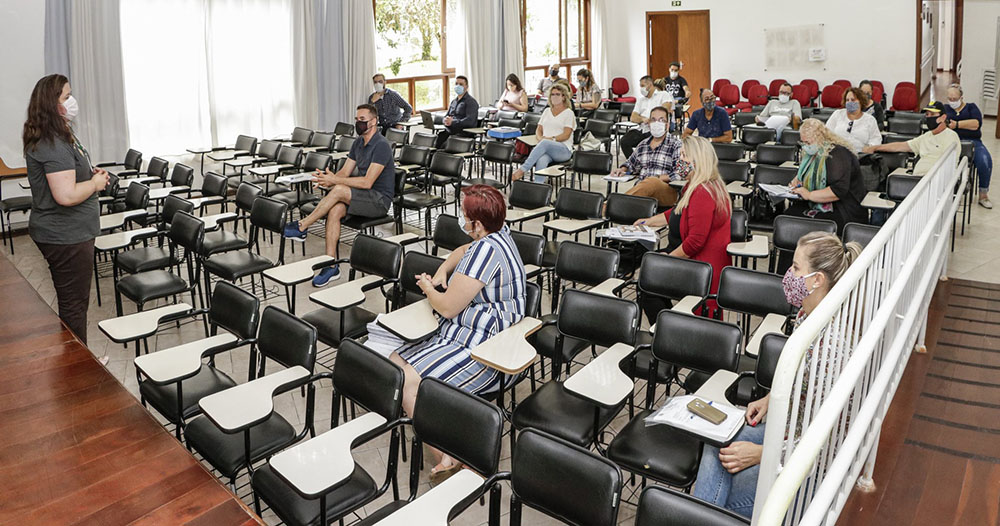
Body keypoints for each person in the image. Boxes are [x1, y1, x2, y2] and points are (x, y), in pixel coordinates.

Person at [691, 231, 862, 518]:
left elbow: (822, 441)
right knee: (716, 437)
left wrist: (760, 455)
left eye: (796, 267)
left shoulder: (830, 349)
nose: (788, 274)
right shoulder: (807, 315)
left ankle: (703, 516)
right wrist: (770, 399)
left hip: (809, 466)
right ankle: (704, 514)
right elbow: (800, 379)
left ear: (817, 280)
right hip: (786, 434)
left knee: (722, 497)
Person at [390, 184, 526, 481]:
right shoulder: (498, 235)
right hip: (466, 332)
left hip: (486, 347)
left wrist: (427, 287)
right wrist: (443, 270)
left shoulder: (488, 250)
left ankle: (448, 453)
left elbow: (448, 307)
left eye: (465, 217)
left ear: (477, 223)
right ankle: (445, 438)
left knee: (408, 381)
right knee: (394, 360)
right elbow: (463, 251)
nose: (462, 221)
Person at [22, 74, 109, 350]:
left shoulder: (58, 134)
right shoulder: (53, 142)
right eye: (66, 97)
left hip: (69, 232)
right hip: (66, 236)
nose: (72, 102)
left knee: (73, 300)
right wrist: (94, 184)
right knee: (74, 304)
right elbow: (66, 195)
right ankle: (77, 366)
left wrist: (89, 175)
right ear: (52, 104)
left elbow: (69, 175)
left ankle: (75, 358)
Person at [284, 104, 396, 286]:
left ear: (374, 122)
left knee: (339, 189)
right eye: (356, 120)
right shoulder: (358, 143)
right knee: (335, 209)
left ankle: (303, 226)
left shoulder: (381, 145)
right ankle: (331, 264)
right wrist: (330, 178)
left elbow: (367, 182)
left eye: (362, 120)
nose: (358, 123)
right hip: (362, 196)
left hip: (379, 200)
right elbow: (345, 172)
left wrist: (335, 182)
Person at [632, 136, 732, 318]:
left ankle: (667, 329)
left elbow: (695, 242)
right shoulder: (697, 186)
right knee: (650, 274)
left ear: (698, 159)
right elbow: (678, 213)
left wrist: (668, 259)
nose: (680, 161)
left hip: (701, 271)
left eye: (684, 156)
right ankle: (669, 324)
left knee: (648, 284)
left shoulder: (703, 192)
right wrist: (648, 221)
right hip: (696, 264)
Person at [786, 119, 868, 232]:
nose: (805, 146)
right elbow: (805, 174)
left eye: (808, 143)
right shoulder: (813, 154)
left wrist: (809, 195)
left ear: (820, 139)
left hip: (842, 208)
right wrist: (798, 181)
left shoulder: (838, 154)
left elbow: (838, 191)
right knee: (787, 216)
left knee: (799, 224)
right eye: (803, 142)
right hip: (817, 202)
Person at [609, 106, 686, 207]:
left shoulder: (676, 145)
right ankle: (616, 206)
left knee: (652, 182)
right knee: (647, 184)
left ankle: (612, 206)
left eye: (661, 120)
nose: (657, 123)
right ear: (649, 124)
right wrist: (622, 169)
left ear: (667, 125)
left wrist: (658, 178)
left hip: (667, 192)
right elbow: (631, 164)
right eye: (653, 120)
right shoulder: (643, 144)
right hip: (643, 190)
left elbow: (682, 172)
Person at [863, 101, 960, 177]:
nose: (929, 117)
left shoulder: (951, 137)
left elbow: (949, 166)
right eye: (927, 115)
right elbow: (901, 146)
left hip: (936, 180)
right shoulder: (926, 136)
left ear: (943, 118)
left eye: (932, 115)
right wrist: (875, 148)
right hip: (917, 179)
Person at [511, 83, 576, 183]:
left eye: (557, 94)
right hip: (546, 147)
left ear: (563, 97)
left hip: (563, 149)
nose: (554, 97)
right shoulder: (547, 111)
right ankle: (538, 186)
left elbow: (566, 135)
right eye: (552, 94)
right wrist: (540, 138)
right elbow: (539, 129)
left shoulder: (568, 113)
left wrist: (550, 140)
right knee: (542, 159)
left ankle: (522, 170)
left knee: (545, 143)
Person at [943, 83, 993, 208]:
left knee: (984, 160)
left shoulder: (971, 108)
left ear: (961, 97)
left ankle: (983, 194)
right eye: (950, 99)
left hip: (972, 141)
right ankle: (951, 192)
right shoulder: (945, 108)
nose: (952, 101)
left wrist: (957, 125)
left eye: (954, 99)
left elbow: (976, 124)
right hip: (952, 141)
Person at [620, 75, 674, 158]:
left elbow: (664, 111)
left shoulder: (663, 95)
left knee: (650, 146)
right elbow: (633, 117)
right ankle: (635, 163)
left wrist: (651, 119)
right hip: (642, 129)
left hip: (656, 130)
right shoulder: (641, 100)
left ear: (650, 85)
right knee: (624, 141)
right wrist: (643, 119)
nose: (641, 89)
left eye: (642, 86)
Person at [824, 88, 881, 153]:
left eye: (853, 100)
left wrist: (869, 147)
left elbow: (876, 139)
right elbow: (826, 133)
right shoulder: (838, 114)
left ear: (861, 101)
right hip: (837, 153)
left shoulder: (870, 120)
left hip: (859, 155)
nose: (850, 102)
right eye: (847, 100)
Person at [434, 75, 480, 149]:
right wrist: (445, 120)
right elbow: (446, 116)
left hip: (463, 134)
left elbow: (470, 121)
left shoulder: (471, 102)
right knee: (433, 143)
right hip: (450, 132)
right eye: (456, 84)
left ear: (466, 87)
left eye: (461, 84)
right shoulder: (454, 101)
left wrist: (453, 122)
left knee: (444, 147)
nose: (458, 86)